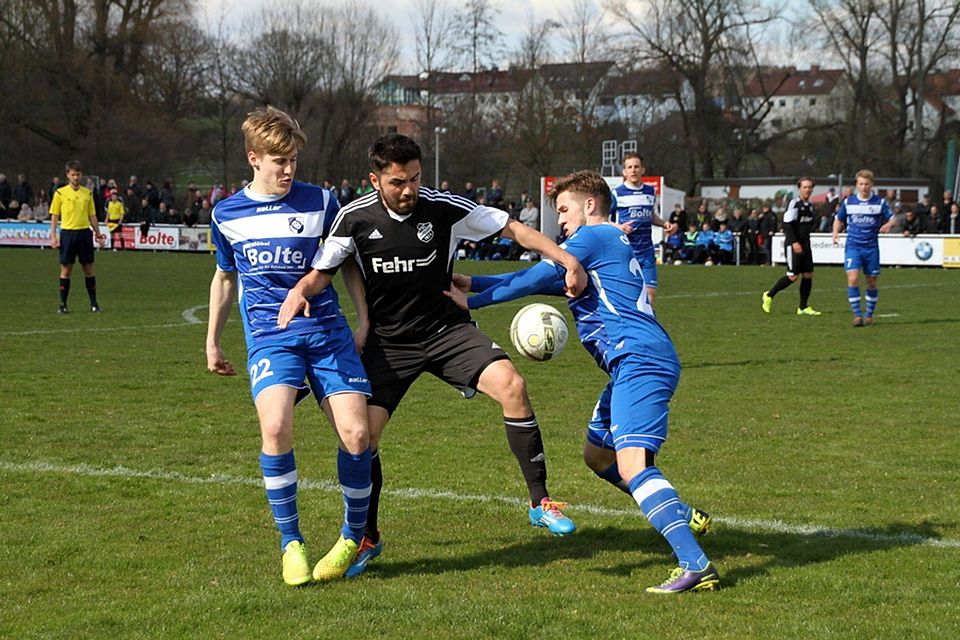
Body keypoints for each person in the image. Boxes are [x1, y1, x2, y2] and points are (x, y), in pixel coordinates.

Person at [277, 133, 588, 576]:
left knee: (513, 386)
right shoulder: (353, 218)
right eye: (398, 182)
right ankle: (366, 536)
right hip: (388, 343)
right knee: (361, 437)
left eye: (415, 179)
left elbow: (512, 228)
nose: (409, 190)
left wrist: (565, 260)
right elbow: (323, 271)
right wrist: (299, 293)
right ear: (375, 179)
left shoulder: (443, 207)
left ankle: (540, 502)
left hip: (447, 331)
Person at [446, 170, 719, 593]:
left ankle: (694, 562)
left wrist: (475, 300)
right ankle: (680, 513)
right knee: (598, 456)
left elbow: (539, 274)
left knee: (632, 465)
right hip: (632, 362)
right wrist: (476, 282)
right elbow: (548, 279)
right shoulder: (603, 246)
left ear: (590, 205)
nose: (562, 222)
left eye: (564, 210)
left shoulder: (594, 238)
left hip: (639, 358)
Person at [205, 105, 373, 586]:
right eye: (278, 160)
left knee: (357, 437)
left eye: (293, 160)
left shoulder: (321, 202)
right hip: (270, 336)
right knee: (276, 426)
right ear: (253, 158)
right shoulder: (226, 213)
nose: (287, 169)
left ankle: (349, 538)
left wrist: (363, 320)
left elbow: (346, 264)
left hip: (326, 332)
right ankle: (291, 543)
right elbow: (223, 278)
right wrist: (212, 342)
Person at [610, 153, 675, 307]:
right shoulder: (617, 193)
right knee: (628, 297)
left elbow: (651, 215)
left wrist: (664, 224)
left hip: (646, 252)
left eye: (636, 167)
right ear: (624, 172)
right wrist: (619, 227)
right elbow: (604, 219)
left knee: (650, 296)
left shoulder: (650, 192)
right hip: (626, 252)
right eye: (629, 167)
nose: (633, 170)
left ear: (643, 170)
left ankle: (647, 329)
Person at [832, 169, 895, 327]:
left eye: (867, 184)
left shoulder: (879, 203)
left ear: (871, 185)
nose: (864, 187)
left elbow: (893, 219)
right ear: (856, 185)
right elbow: (838, 219)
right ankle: (857, 315)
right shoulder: (849, 202)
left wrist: (888, 224)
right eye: (861, 184)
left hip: (871, 248)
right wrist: (835, 233)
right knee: (853, 279)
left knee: (871, 282)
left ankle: (869, 315)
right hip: (853, 247)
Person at [48, 160, 105, 313]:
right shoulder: (60, 193)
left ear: (81, 175)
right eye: (73, 174)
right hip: (67, 234)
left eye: (78, 174)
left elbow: (92, 215)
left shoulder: (87, 193)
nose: (75, 177)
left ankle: (94, 304)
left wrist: (98, 234)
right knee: (66, 270)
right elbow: (54, 215)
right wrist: (53, 236)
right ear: (67, 175)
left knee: (88, 269)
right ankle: (63, 304)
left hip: (84, 233)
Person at [762, 177, 820, 316]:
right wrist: (794, 242)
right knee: (793, 276)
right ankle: (769, 295)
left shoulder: (810, 206)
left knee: (807, 274)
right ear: (799, 188)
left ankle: (803, 307)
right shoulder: (794, 203)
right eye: (804, 187)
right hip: (793, 244)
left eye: (809, 187)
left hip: (806, 244)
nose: (807, 190)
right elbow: (787, 224)